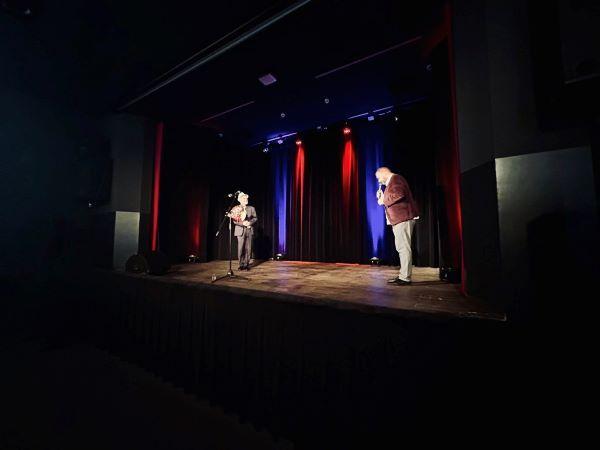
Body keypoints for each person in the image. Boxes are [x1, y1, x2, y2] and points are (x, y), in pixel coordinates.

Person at [375, 167, 419, 285]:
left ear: (384, 173)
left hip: (403, 218)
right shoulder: (392, 182)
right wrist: (383, 196)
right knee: (401, 248)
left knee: (403, 248)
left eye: (379, 177)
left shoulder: (396, 179)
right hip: (399, 219)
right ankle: (403, 275)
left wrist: (383, 200)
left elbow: (399, 194)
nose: (379, 181)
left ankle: (405, 278)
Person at [232, 192, 257, 270]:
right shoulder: (236, 208)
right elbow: (234, 220)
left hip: (249, 230)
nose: (246, 199)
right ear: (240, 200)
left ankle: (246, 264)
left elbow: (255, 218)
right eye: (244, 198)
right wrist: (243, 223)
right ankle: (241, 264)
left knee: (248, 248)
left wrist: (250, 222)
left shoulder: (251, 208)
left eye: (246, 198)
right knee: (241, 248)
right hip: (240, 230)